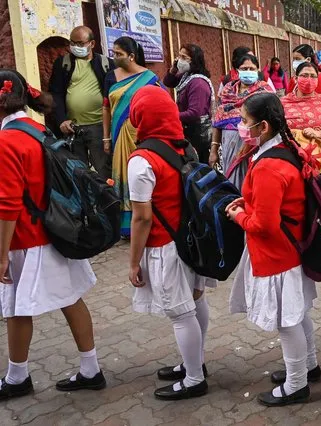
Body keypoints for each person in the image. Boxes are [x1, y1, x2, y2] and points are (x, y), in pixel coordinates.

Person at [0, 69, 106, 400]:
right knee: (71, 299)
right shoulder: (34, 128)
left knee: (17, 309)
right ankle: (90, 369)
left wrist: (0, 254)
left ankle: (18, 377)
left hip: (26, 239)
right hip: (56, 228)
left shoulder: (6, 140)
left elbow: (7, 205)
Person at [227, 92, 319, 407]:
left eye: (244, 121)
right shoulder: (286, 148)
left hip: (276, 252)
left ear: (263, 126)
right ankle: (308, 366)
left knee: (286, 321)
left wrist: (239, 214)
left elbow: (263, 225)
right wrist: (249, 202)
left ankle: (297, 385)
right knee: (298, 313)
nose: (241, 126)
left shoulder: (268, 165)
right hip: (291, 248)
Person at [127, 85, 213, 400]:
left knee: (180, 313)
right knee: (196, 300)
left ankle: (193, 378)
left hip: (165, 246)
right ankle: (196, 362)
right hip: (191, 241)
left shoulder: (142, 159)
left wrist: (134, 261)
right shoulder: (184, 146)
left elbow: (142, 218)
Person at [103, 36, 161, 239]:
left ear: (131, 56)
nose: (115, 57)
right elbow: (106, 108)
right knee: (124, 174)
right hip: (118, 135)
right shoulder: (111, 77)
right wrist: (106, 138)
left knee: (142, 175)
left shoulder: (150, 78)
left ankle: (147, 219)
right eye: (114, 53)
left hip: (141, 135)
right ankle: (127, 226)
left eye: (119, 54)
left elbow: (158, 106)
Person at [49, 26, 114, 178]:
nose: (75, 47)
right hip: (73, 128)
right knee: (77, 172)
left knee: (104, 170)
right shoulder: (63, 64)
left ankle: (110, 200)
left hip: (99, 127)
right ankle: (85, 201)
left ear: (92, 44)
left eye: (80, 43)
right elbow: (56, 94)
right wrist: (61, 120)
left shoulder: (106, 64)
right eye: (72, 43)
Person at [211, 54, 274, 190]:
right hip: (227, 145)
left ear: (258, 70)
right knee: (230, 181)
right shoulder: (227, 91)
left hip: (253, 145)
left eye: (252, 68)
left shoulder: (265, 92)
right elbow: (217, 121)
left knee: (251, 181)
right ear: (237, 70)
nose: (248, 71)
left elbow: (270, 123)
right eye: (244, 68)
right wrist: (214, 149)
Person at [281, 62, 321, 186]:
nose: (309, 79)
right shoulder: (282, 103)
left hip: (318, 163)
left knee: (315, 198)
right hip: (289, 159)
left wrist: (319, 134)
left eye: (313, 76)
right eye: (304, 75)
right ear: (295, 78)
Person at [163, 44, 214, 163]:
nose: (180, 60)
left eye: (184, 58)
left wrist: (172, 116)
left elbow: (194, 113)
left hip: (198, 135)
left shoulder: (198, 83)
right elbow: (169, 82)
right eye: (179, 56)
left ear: (194, 61)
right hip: (189, 131)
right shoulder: (186, 76)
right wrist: (173, 69)